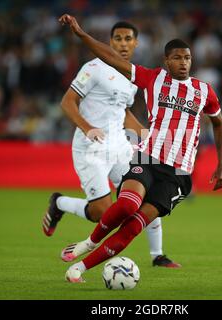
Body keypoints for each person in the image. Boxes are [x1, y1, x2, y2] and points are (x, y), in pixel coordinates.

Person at [58, 14, 222, 283]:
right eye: (177, 58)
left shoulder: (204, 91)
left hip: (178, 175)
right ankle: (88, 243)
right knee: (126, 206)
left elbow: (219, 124)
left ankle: (79, 269)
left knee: (133, 227)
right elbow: (112, 58)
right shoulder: (152, 78)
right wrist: (80, 34)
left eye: (187, 58)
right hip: (146, 157)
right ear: (166, 61)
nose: (183, 62)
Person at [42, 21, 181, 268]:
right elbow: (67, 102)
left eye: (128, 39)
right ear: (110, 41)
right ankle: (59, 203)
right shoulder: (93, 68)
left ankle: (157, 255)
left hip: (119, 147)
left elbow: (122, 112)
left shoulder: (131, 76)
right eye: (118, 39)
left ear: (136, 43)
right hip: (90, 149)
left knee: (147, 195)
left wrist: (145, 134)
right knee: (103, 213)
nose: (123, 43)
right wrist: (87, 127)